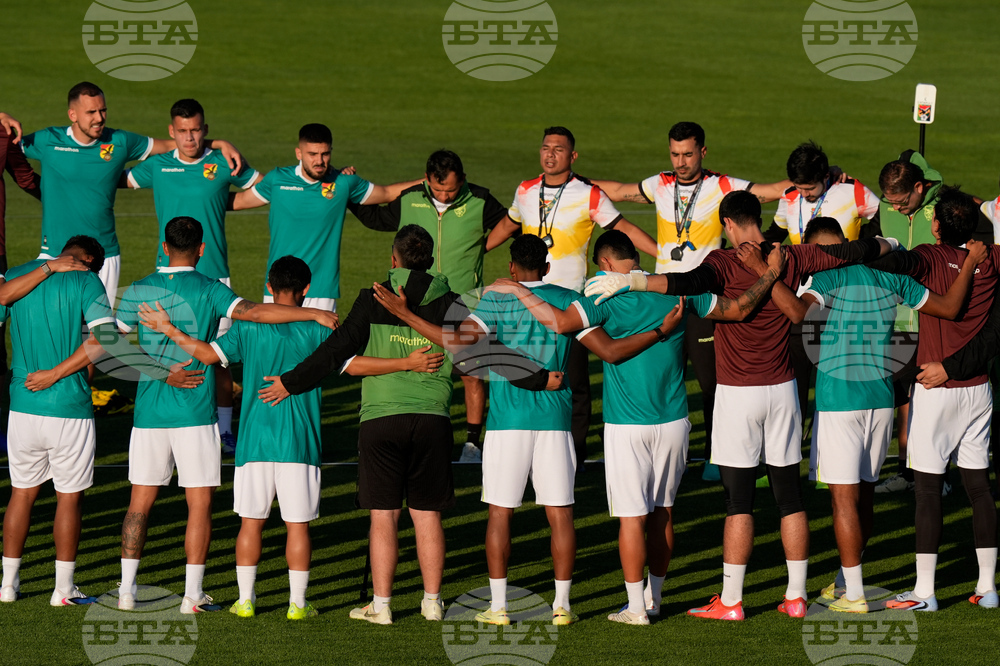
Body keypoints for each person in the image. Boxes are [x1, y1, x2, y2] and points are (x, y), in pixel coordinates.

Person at [585, 191, 896, 620]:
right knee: (789, 498)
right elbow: (855, 250)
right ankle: (796, 596)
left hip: (736, 393)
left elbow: (684, 283)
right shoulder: (793, 255)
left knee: (739, 502)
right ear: (760, 218)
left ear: (728, 224)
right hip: (784, 389)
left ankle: (731, 601)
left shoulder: (721, 262)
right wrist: (892, 245)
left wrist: (633, 280)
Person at [258, 226, 555, 625]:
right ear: (431, 261)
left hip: (381, 419)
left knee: (384, 515)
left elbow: (333, 353)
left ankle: (381, 606)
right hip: (432, 420)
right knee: (427, 514)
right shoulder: (452, 302)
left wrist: (289, 383)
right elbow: (487, 354)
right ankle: (432, 602)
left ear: (393, 258)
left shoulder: (373, 297)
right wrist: (538, 379)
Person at [489, 230, 785, 624]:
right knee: (663, 512)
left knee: (632, 517)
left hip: (627, 425)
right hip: (676, 421)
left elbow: (559, 324)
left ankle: (634, 608)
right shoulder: (674, 290)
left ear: (606, 264)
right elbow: (740, 309)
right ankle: (655, 599)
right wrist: (771, 275)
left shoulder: (599, 298)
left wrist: (519, 290)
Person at [372, 233, 608, 627]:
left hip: (505, 425)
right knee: (561, 515)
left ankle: (498, 607)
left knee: (500, 515)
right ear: (546, 267)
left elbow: (457, 344)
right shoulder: (568, 299)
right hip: (555, 422)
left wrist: (408, 315)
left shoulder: (497, 298)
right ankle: (562, 606)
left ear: (512, 267)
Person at [112, 217, 338, 614]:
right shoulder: (214, 290)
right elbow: (255, 314)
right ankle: (192, 595)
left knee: (138, 504)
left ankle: (127, 590)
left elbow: (110, 341)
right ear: (201, 249)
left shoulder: (138, 290)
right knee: (198, 506)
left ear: (164, 247)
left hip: (148, 412)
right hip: (197, 414)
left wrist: (161, 372)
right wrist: (313, 315)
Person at [766, 216, 984, 613]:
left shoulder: (826, 280)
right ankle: (845, 581)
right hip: (882, 399)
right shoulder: (890, 279)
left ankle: (854, 594)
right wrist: (969, 264)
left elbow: (796, 314)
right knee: (864, 493)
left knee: (843, 501)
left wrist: (766, 275)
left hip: (840, 400)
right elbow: (950, 307)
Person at [0, 236, 203, 606]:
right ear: (90, 259)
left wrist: (44, 269)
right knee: (69, 499)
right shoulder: (86, 280)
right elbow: (106, 338)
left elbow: (2, 298)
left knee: (21, 494)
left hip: (22, 406)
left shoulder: (16, 275)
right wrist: (56, 373)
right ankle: (62, 590)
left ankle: (7, 586)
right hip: (68, 408)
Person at [591, 121, 792, 481]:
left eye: (687, 154)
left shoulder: (722, 185)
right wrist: (572, 181)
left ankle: (719, 455)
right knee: (664, 377)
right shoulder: (660, 183)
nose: (681, 162)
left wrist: (815, 179)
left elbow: (769, 191)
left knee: (713, 382)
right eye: (674, 154)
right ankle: (664, 450)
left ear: (703, 151)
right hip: (664, 298)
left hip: (705, 297)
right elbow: (619, 190)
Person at [855, 188, 1000, 612]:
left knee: (928, 492)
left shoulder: (930, 256)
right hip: (978, 389)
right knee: (979, 489)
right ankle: (988, 588)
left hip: (936, 393)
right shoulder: (991, 259)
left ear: (936, 226)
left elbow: (894, 263)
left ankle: (924, 593)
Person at [487, 126, 658, 472]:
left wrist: (662, 256)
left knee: (574, 383)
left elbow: (621, 227)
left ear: (572, 156)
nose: (550, 154)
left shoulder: (588, 194)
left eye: (559, 149)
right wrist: (477, 249)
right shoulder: (525, 190)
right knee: (524, 373)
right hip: (527, 298)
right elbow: (509, 222)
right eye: (546, 148)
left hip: (569, 304)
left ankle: (571, 456)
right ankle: (527, 449)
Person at [1, 82, 243, 305]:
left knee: (97, 335)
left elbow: (176, 144)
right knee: (56, 324)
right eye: (91, 112)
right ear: (72, 115)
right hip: (54, 249)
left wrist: (219, 143)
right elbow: (6, 141)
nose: (99, 118)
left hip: (103, 256)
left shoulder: (120, 141)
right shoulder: (47, 140)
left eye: (102, 110)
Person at [348, 149, 510, 463]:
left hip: (463, 300)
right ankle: (383, 426)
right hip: (411, 299)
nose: (445, 195)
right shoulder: (410, 199)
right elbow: (377, 218)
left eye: (450, 189)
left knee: (471, 373)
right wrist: (348, 192)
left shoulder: (479, 200)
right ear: (427, 181)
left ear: (462, 180)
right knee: (405, 365)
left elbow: (511, 222)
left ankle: (472, 445)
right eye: (438, 190)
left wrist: (484, 246)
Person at [126, 98, 262, 454]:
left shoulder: (223, 162)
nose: (190, 138)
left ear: (205, 129)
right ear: (171, 133)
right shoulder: (157, 166)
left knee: (217, 358)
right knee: (162, 355)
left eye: (197, 131)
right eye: (182, 132)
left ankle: (224, 431)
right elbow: (116, 178)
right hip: (166, 277)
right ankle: (169, 427)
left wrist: (223, 189)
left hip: (214, 278)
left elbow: (263, 190)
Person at [230, 123, 422, 312]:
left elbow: (388, 193)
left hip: (321, 289)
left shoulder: (344, 183)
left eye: (325, 154)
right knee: (278, 344)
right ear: (299, 153)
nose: (319, 161)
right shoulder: (277, 180)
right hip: (279, 287)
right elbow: (239, 201)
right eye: (312, 154)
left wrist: (429, 180)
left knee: (323, 344)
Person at [763, 142, 881, 427]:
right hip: (803, 297)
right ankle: (792, 444)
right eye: (800, 188)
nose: (804, 194)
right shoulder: (789, 197)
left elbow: (881, 220)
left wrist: (857, 251)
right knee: (796, 378)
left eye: (810, 188)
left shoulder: (851, 191)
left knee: (841, 376)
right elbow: (775, 233)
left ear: (825, 177)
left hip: (844, 297)